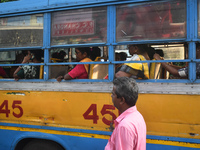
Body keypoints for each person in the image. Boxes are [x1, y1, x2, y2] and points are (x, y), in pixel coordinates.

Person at [105, 77, 146, 150]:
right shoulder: (137, 116)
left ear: (121, 100)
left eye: (113, 94)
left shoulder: (124, 126)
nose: (111, 96)